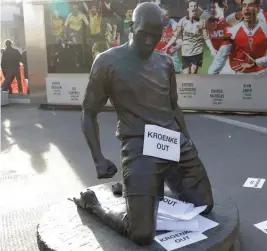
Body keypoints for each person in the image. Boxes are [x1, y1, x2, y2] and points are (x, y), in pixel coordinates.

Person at [73, 2, 214, 246]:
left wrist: (188, 141)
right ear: (131, 27)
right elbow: (88, 111)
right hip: (139, 147)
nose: (150, 41)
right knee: (141, 234)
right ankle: (96, 205)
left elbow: (173, 107)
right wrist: (98, 158)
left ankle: (141, 190)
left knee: (204, 205)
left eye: (156, 35)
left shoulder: (165, 63)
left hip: (172, 142)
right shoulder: (107, 62)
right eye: (143, 34)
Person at [208, 0, 267, 75]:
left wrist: (259, 62)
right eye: (244, 5)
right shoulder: (232, 32)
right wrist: (212, 76)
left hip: (262, 75)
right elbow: (220, 58)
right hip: (240, 76)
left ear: (258, 9)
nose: (246, 8)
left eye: (250, 5)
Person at [162, 0, 217, 74]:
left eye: (195, 6)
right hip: (185, 53)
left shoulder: (201, 22)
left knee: (193, 72)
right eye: (191, 6)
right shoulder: (182, 21)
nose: (193, 8)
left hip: (197, 52)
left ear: (197, 8)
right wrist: (167, 46)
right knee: (186, 75)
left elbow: (206, 38)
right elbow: (175, 36)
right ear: (188, 9)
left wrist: (212, 49)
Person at [155, 7, 182, 73]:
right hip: (157, 56)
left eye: (167, 15)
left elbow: (180, 41)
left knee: (176, 74)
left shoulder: (174, 25)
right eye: (163, 15)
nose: (165, 17)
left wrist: (176, 47)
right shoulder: (155, 24)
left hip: (171, 55)